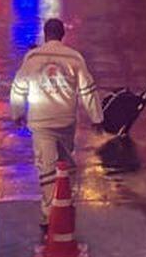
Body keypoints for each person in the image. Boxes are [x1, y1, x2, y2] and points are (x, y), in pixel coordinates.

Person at [10, 18, 103, 231]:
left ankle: (50, 212)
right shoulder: (74, 58)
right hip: (65, 120)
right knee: (64, 163)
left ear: (45, 34)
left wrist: (17, 113)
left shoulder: (32, 58)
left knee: (47, 168)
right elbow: (88, 90)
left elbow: (18, 88)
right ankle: (62, 203)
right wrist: (97, 118)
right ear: (63, 35)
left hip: (40, 121)